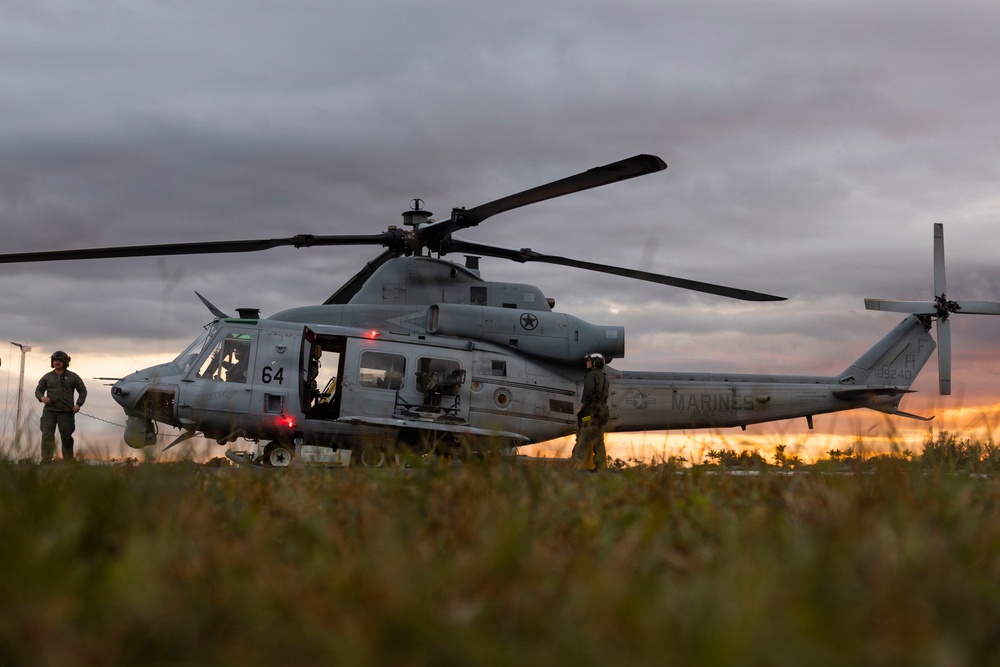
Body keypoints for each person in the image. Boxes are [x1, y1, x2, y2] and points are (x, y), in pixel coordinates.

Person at [35, 350, 88, 463]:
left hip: (66, 412)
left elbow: (83, 391)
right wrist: (42, 398)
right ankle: (46, 460)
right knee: (47, 435)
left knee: (66, 437)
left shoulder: (73, 377)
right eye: (55, 360)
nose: (57, 362)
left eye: (59, 360)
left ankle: (68, 460)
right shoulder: (47, 377)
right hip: (50, 411)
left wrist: (78, 404)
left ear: (65, 362)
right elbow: (38, 391)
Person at [570, 352, 610, 471]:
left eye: (589, 361)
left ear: (595, 363)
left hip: (591, 413)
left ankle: (574, 465)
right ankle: (601, 466)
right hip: (602, 412)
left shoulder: (591, 375)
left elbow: (588, 392)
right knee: (598, 439)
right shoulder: (604, 377)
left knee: (583, 437)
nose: (587, 362)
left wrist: (581, 407)